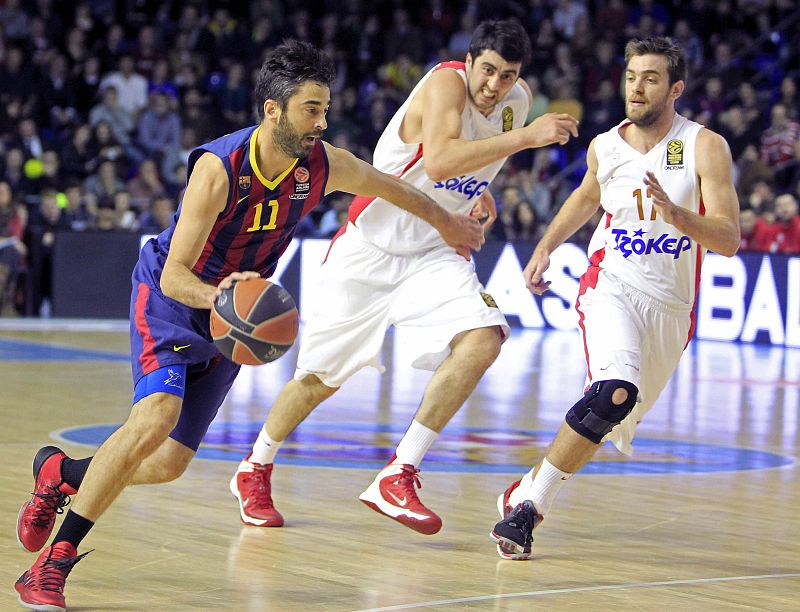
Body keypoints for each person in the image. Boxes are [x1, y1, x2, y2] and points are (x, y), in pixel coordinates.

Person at [13, 40, 484, 612]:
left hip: (233, 314)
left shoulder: (324, 164)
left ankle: (62, 473)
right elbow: (176, 275)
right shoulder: (219, 169)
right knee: (154, 417)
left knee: (167, 463)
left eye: (325, 109)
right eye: (311, 109)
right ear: (272, 109)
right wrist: (221, 299)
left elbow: (394, 187)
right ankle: (49, 567)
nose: (322, 121)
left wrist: (449, 223)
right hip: (173, 297)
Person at [230, 19, 578, 535]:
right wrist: (527, 139)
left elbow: (463, 170)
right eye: (487, 70)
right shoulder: (444, 84)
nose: (494, 85)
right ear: (470, 61)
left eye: (507, 76)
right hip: (371, 247)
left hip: (436, 249)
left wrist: (476, 195)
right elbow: (438, 160)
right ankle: (254, 466)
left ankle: (400, 470)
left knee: (485, 337)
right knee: (318, 380)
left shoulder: (516, 101)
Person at [489, 36, 740, 560]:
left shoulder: (703, 146)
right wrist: (545, 247)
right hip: (611, 287)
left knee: (606, 421)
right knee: (614, 390)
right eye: (631, 77)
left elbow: (729, 239)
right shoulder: (605, 145)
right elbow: (586, 195)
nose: (637, 87)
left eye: (650, 78)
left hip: (671, 309)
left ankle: (526, 488)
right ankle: (530, 511)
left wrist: (679, 216)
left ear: (675, 88)